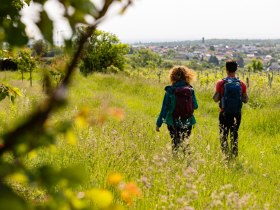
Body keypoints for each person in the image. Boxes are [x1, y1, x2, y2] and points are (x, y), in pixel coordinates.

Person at [156, 66, 198, 154]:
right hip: (188, 121)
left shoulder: (170, 90)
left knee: (175, 142)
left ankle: (175, 161)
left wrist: (158, 123)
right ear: (187, 76)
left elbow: (164, 108)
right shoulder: (190, 90)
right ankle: (187, 162)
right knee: (185, 142)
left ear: (172, 76)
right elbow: (195, 106)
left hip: (172, 121)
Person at [213, 60, 249, 159]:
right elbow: (246, 100)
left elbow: (215, 99)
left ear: (226, 69)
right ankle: (234, 156)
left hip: (224, 113)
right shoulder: (241, 83)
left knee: (223, 135)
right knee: (234, 134)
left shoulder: (221, 83)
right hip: (237, 113)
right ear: (236, 69)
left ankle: (225, 157)